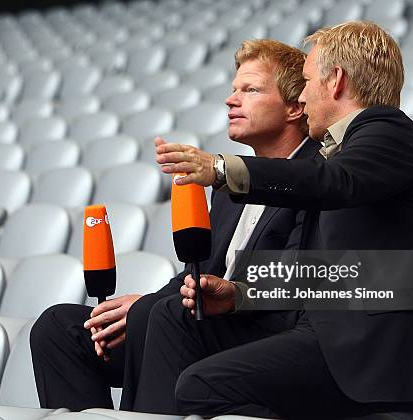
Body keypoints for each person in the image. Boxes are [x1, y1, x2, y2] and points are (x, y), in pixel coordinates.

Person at [150, 21, 413, 419]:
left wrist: (219, 167)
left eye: (305, 80)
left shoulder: (386, 130)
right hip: (338, 341)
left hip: (385, 359)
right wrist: (241, 294)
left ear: (335, 81)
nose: (301, 94)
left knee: (200, 385)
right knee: (177, 328)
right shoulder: (347, 152)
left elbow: (334, 184)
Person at [29, 39, 321, 412]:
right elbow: (197, 273)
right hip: (198, 322)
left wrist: (155, 308)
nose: (231, 101)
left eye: (250, 90)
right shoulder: (228, 187)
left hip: (262, 333)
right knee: (60, 328)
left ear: (296, 107)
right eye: (233, 90)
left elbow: (300, 279)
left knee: (164, 316)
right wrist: (138, 305)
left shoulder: (317, 178)